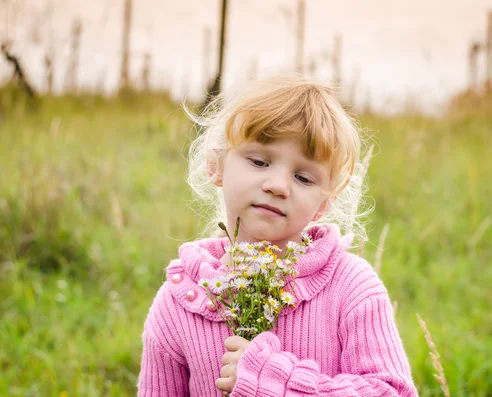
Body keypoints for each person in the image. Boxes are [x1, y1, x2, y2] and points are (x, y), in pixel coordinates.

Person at [137, 75, 418, 396]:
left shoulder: (351, 287)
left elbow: (391, 390)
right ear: (216, 165)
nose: (278, 186)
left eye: (303, 177)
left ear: (323, 204)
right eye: (259, 161)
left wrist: (271, 380)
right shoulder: (181, 302)